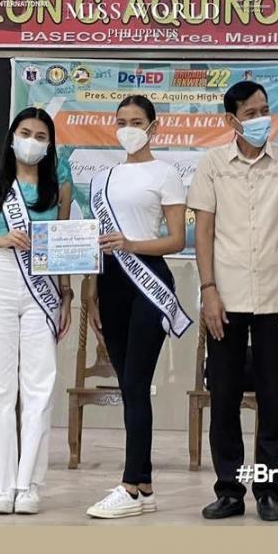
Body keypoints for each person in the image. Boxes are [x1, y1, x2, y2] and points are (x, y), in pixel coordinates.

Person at [188, 80, 278, 522]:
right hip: (225, 298)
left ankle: (268, 491)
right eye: (251, 113)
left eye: (265, 110)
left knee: (273, 399)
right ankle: (228, 490)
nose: (262, 119)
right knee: (223, 398)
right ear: (231, 120)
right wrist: (208, 290)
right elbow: (204, 231)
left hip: (277, 298)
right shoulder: (212, 165)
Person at [0, 107, 74, 516]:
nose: (32, 141)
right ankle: (0, 484)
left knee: (40, 384)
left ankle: (29, 484)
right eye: (26, 133)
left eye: (41, 136)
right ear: (12, 137)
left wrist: (66, 295)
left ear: (50, 144)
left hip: (43, 284)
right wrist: (2, 239)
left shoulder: (60, 184)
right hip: (2, 277)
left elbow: (62, 243)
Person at [84, 95, 191, 519]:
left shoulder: (165, 174)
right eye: (121, 121)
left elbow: (176, 240)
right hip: (110, 283)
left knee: (136, 382)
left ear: (153, 126)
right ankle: (144, 486)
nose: (128, 128)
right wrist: (91, 293)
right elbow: (94, 241)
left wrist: (130, 244)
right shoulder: (102, 178)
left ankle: (130, 486)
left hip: (148, 282)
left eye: (136, 121)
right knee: (127, 386)